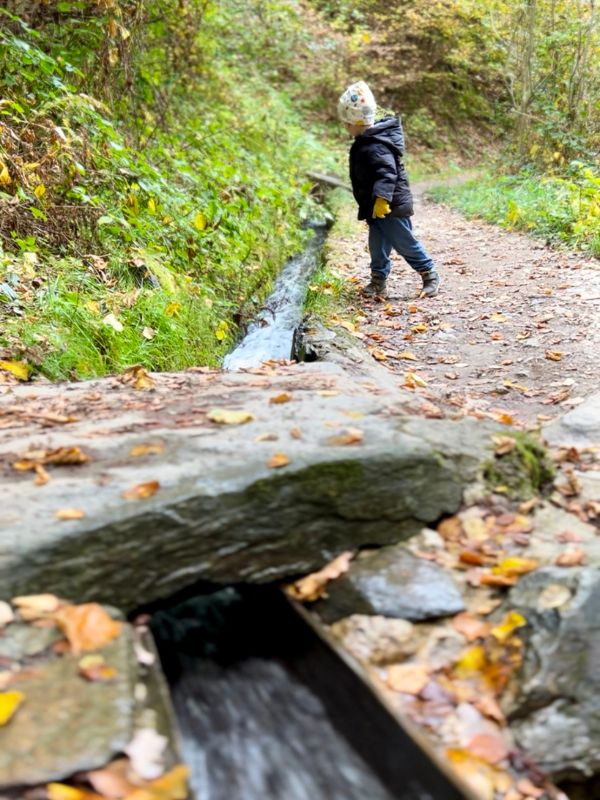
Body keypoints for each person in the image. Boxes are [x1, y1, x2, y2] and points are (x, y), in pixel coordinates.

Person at [338, 81, 440, 299]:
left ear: (357, 121)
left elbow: (387, 172)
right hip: (374, 209)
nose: (345, 128)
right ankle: (378, 282)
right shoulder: (365, 140)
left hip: (390, 206)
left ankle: (429, 273)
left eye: (347, 123)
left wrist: (382, 198)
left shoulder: (375, 144)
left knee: (404, 243)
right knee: (377, 247)